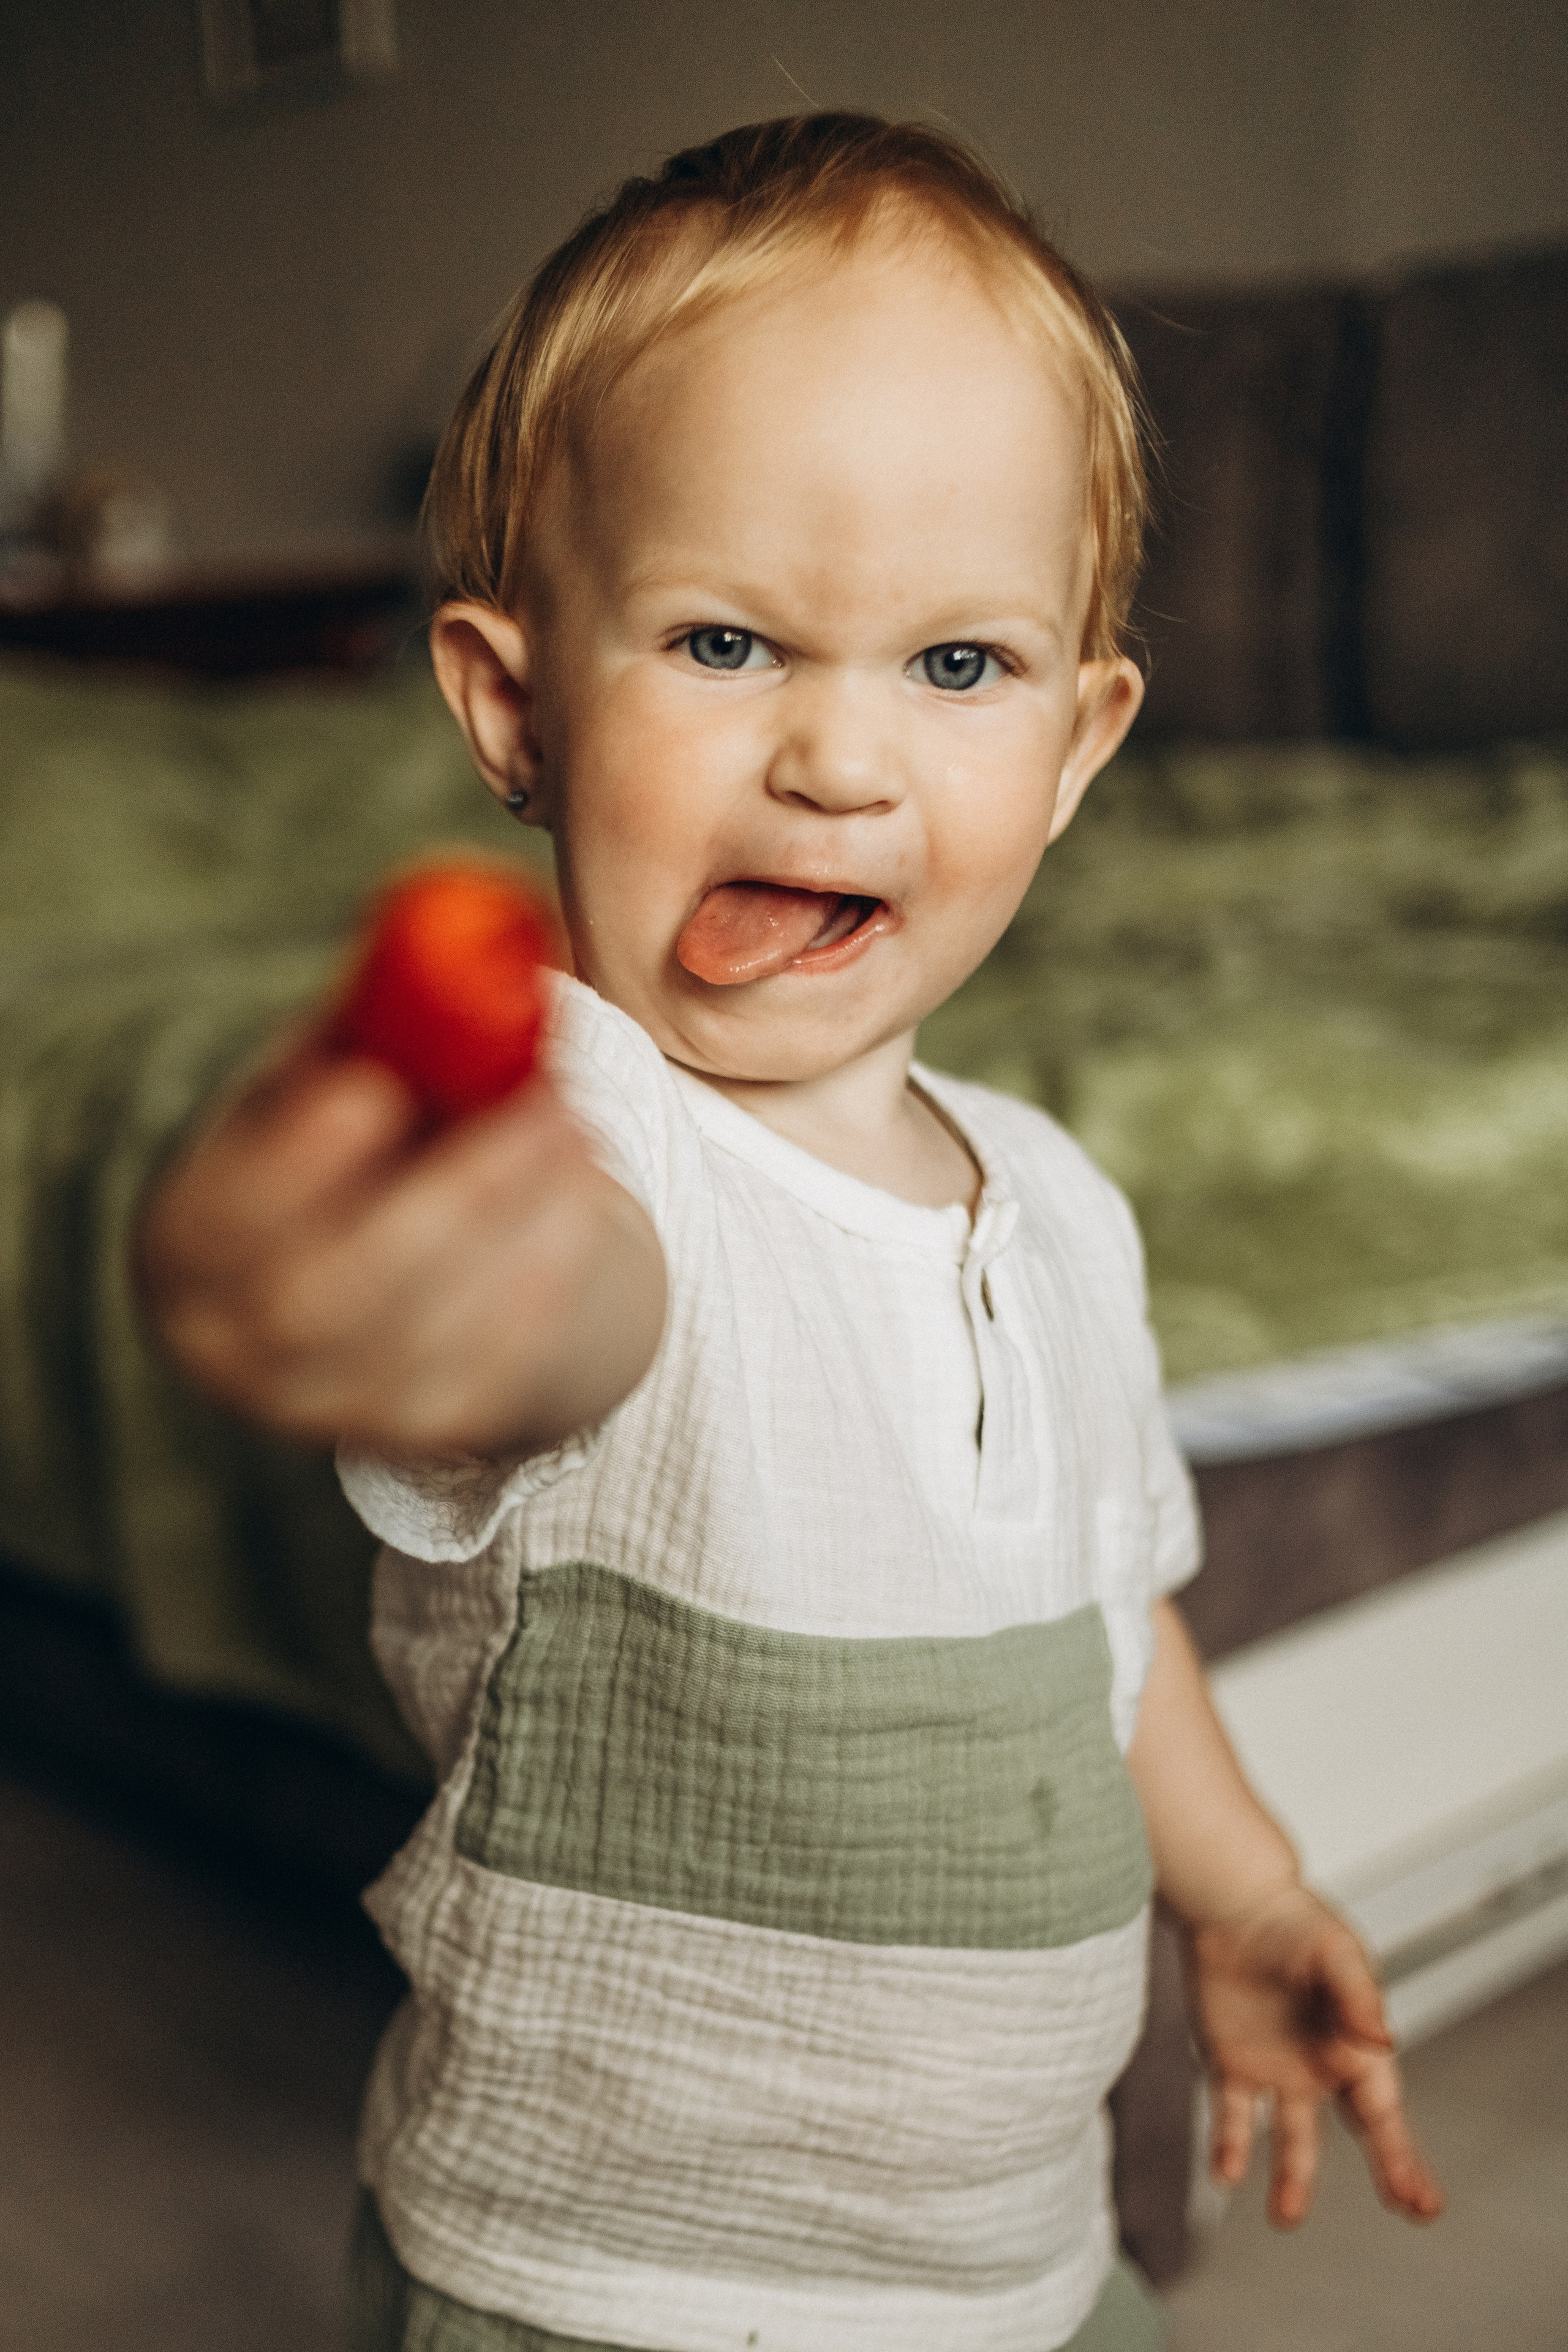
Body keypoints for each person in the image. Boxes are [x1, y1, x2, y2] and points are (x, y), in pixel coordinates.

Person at [140, 113, 1444, 2352]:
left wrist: (1240, 1891)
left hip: (1019, 2277)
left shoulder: (1055, 1205)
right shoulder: (597, 1139)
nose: (841, 760)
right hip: (606, 2293)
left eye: (958, 669)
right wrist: (324, 1239)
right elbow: (546, 1300)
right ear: (514, 705)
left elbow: (1110, 1612)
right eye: (730, 639)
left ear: (1079, 740)